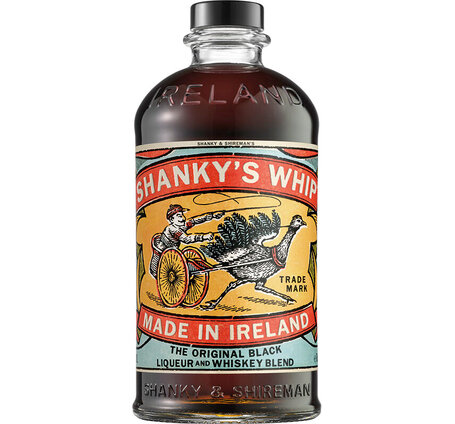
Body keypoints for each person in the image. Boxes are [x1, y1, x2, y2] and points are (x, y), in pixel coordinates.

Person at [156, 204, 224, 251]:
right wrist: (204, 237)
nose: (183, 218)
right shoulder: (172, 229)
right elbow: (187, 239)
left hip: (173, 253)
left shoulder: (179, 225)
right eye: (179, 216)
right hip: (163, 254)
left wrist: (212, 216)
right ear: (171, 220)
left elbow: (194, 221)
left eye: (182, 215)